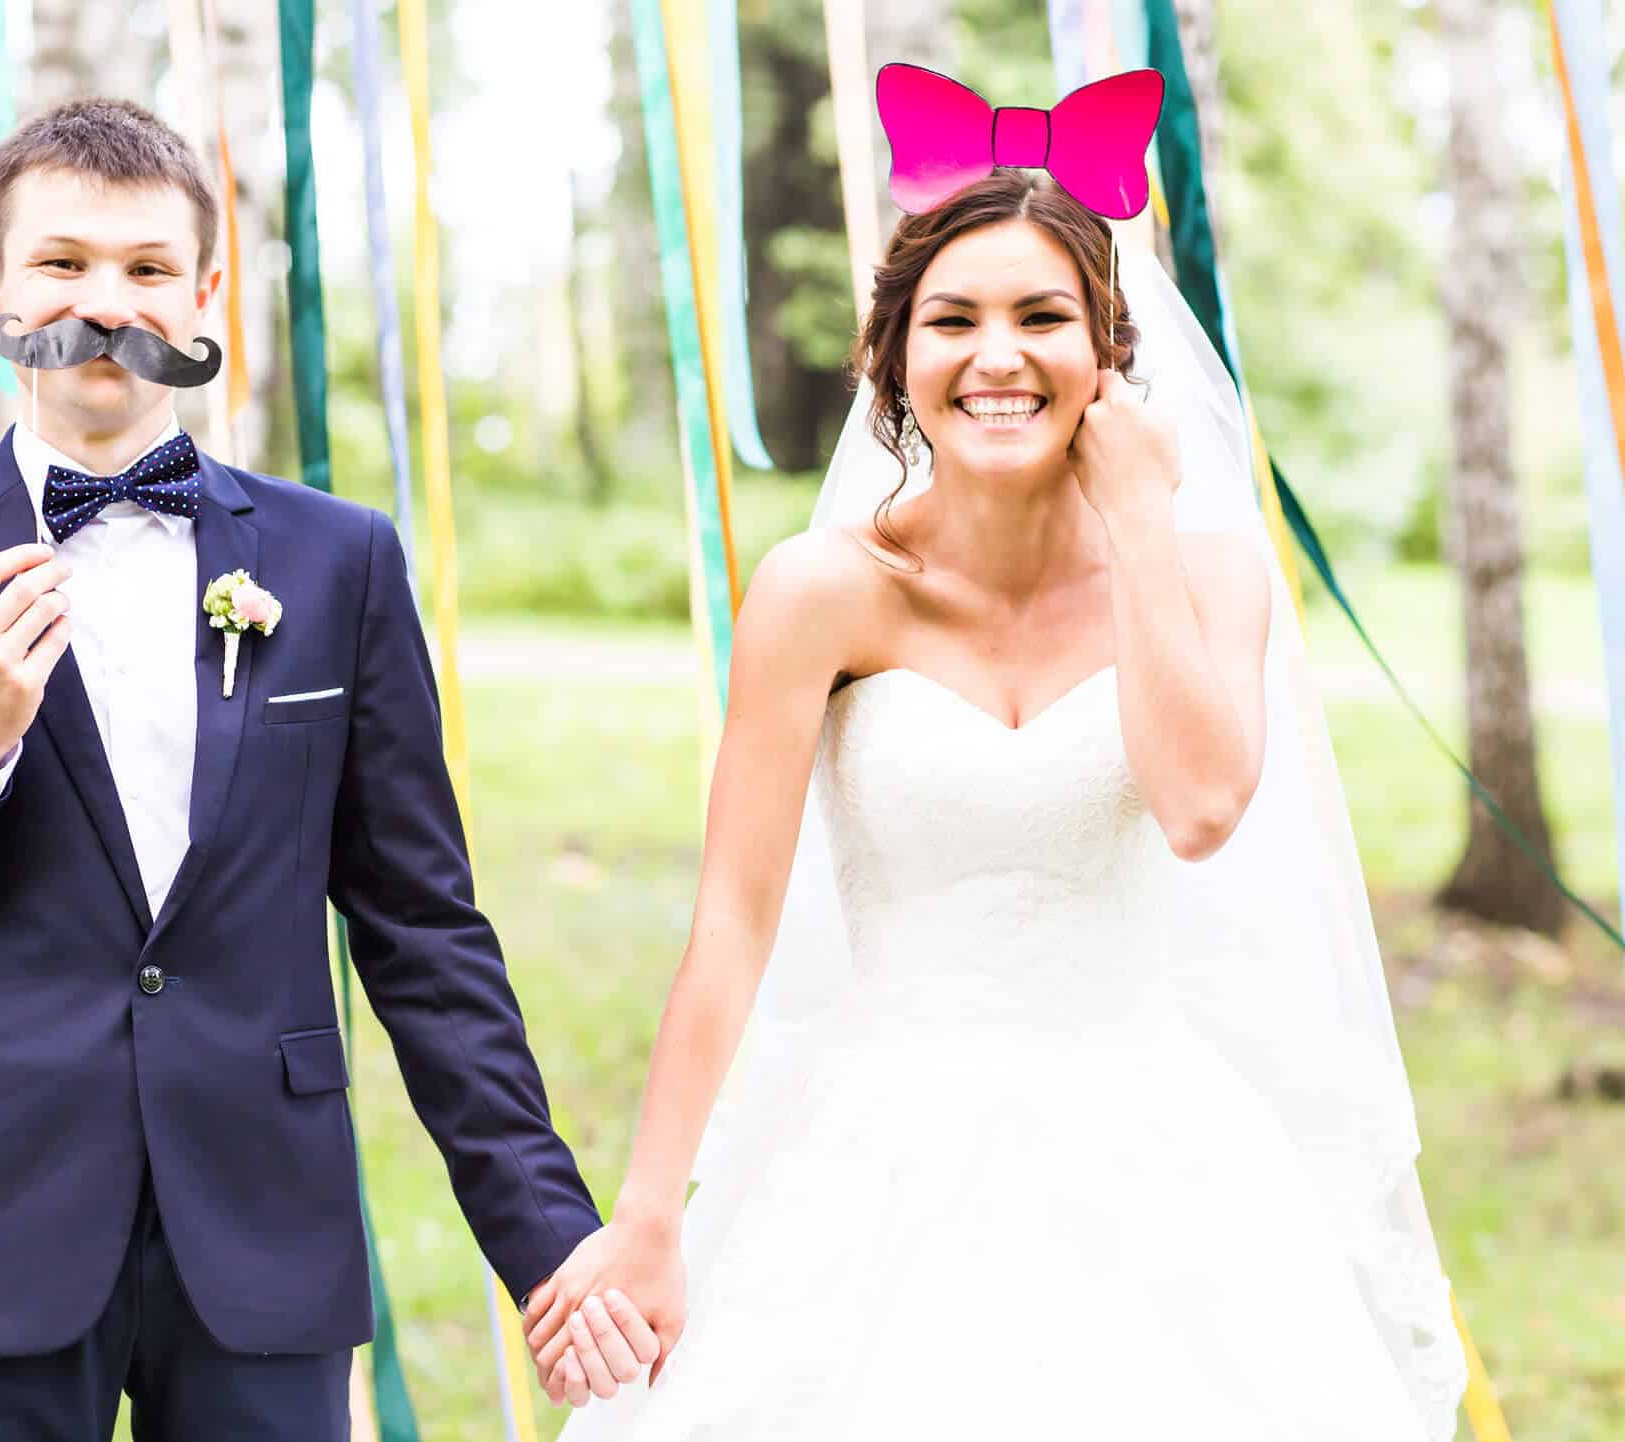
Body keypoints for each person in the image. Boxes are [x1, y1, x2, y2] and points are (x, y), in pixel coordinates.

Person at [522, 69, 1465, 1440]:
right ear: (895, 355)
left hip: (1152, 1161)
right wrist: (653, 1214)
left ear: (1106, 352)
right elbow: (733, 915)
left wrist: (1140, 516)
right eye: (953, 319)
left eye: (1042, 317)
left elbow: (1203, 804)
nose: (997, 355)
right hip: (874, 1154)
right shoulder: (820, 591)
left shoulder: (1210, 568)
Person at [0, 97, 656, 1442]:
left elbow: (423, 930)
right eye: (62, 263)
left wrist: (545, 1232)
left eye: (146, 269)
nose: (105, 304)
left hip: (263, 1236)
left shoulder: (337, 562)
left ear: (205, 292)